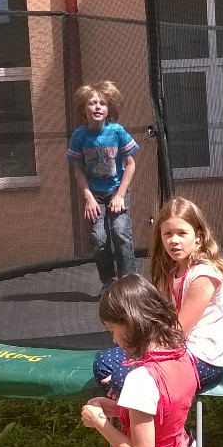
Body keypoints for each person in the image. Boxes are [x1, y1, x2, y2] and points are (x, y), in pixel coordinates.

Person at [81, 274, 202, 447]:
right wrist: (119, 407)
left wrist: (101, 423)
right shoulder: (182, 355)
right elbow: (163, 410)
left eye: (113, 329)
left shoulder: (141, 378)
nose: (114, 339)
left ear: (131, 322)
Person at [94, 197, 223, 400]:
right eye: (167, 234)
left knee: (123, 378)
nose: (174, 240)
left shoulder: (204, 275)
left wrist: (140, 362)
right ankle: (135, 412)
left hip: (203, 358)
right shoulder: (170, 273)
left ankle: (144, 416)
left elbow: (178, 332)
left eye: (182, 233)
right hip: (175, 349)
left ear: (198, 237)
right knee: (105, 362)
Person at [67, 80, 140, 294]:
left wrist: (120, 195)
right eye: (92, 103)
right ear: (84, 109)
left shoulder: (117, 131)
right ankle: (109, 280)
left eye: (102, 103)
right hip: (95, 195)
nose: (97, 107)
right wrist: (88, 198)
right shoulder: (79, 136)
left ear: (109, 109)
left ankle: (128, 282)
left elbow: (130, 164)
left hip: (116, 191)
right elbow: (78, 170)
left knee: (120, 233)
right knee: (98, 238)